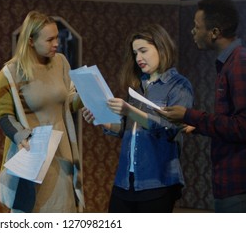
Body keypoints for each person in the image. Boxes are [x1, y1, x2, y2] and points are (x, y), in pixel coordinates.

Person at [160, 0, 246, 213]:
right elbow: (232, 122)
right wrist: (198, 126)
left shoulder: (242, 65)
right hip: (230, 182)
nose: (193, 32)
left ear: (214, 32)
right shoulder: (230, 64)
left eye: (197, 27)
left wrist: (189, 115)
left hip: (241, 183)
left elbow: (245, 128)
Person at [82, 24, 194, 213]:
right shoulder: (137, 86)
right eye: (135, 53)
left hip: (158, 180)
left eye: (143, 51)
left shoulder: (179, 85)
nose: (138, 58)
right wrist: (100, 118)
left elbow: (170, 127)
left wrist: (130, 111)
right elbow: (125, 128)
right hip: (126, 180)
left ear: (161, 47)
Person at [0, 11, 84, 213]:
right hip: (32, 154)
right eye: (50, 39)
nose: (56, 44)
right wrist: (19, 136)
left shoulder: (60, 62)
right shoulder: (10, 72)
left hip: (62, 154)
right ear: (31, 41)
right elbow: (4, 115)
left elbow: (67, 104)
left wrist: (87, 96)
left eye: (57, 38)